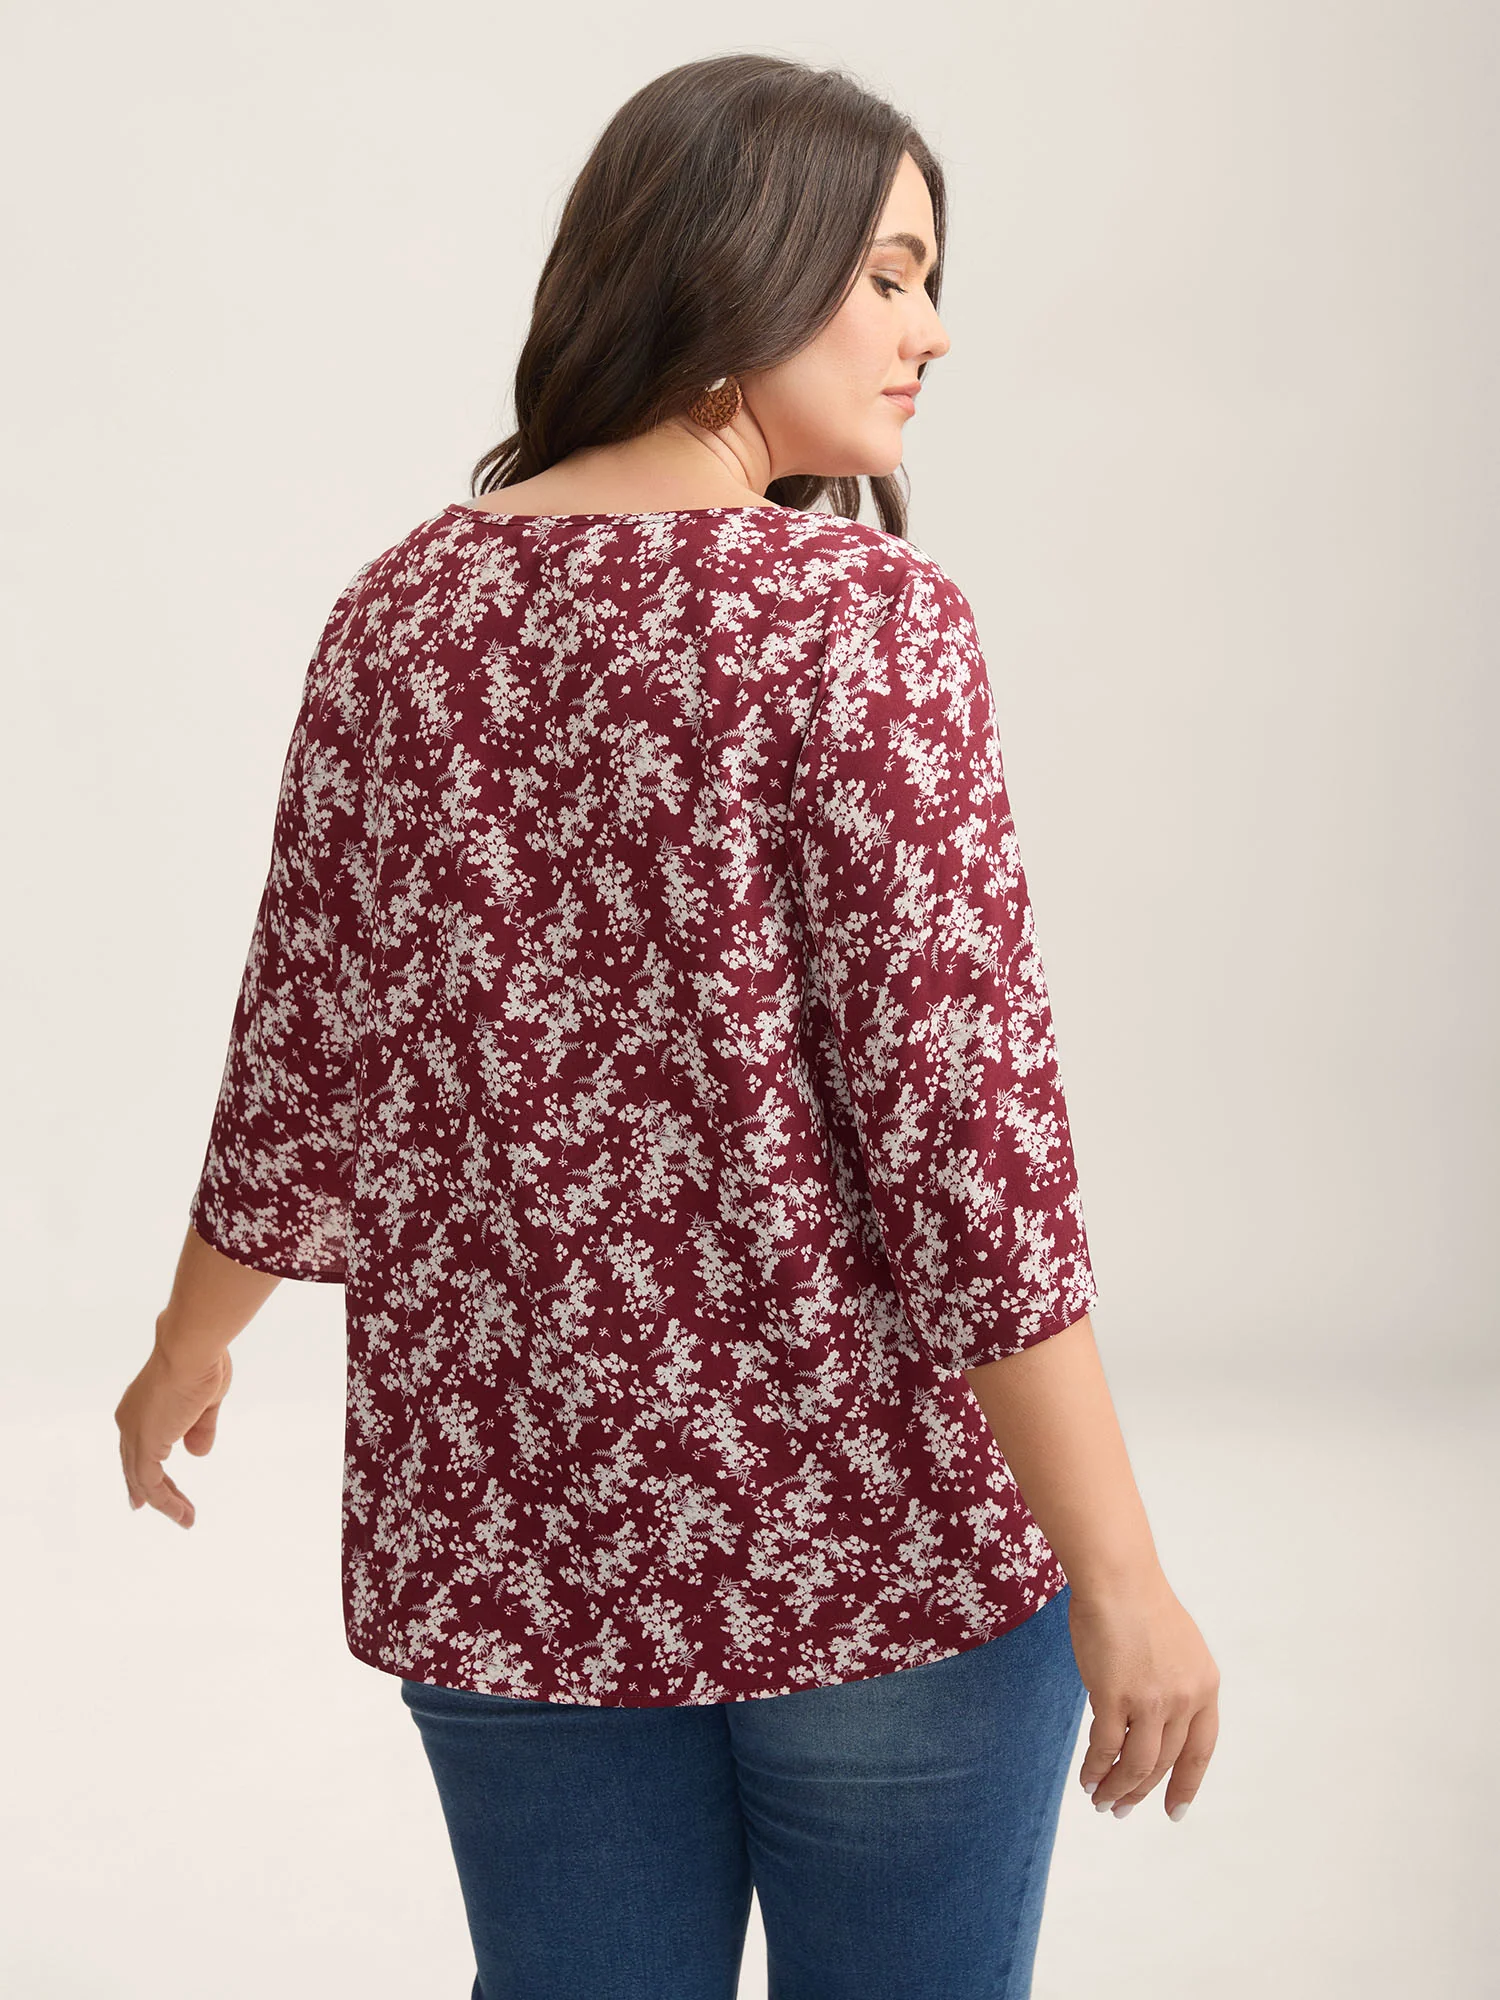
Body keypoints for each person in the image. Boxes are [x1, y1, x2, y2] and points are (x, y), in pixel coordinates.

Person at [114, 51, 1219, 2000]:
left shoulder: (399, 617)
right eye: (887, 276)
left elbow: (303, 1049)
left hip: (516, 1553)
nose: (932, 331)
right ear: (734, 268)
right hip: (874, 1552)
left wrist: (185, 1345)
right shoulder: (863, 622)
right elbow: (967, 1146)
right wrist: (1121, 1577)